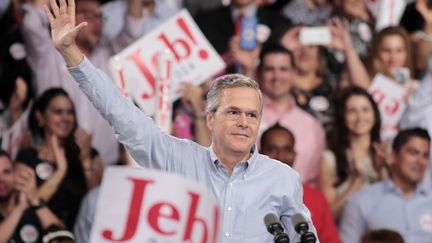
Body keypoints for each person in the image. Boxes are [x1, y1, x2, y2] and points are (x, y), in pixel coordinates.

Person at [43, 0, 318, 242]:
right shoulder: (179, 159)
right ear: (210, 118)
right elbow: (121, 114)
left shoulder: (283, 179)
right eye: (233, 112)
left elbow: (306, 238)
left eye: (252, 115)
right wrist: (72, 55)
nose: (244, 122)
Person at [20, 0, 148, 165]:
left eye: (101, 17)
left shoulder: (109, 56)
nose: (97, 22)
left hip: (105, 168)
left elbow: (133, 31)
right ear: (68, 15)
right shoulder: (47, 54)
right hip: (55, 167)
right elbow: (31, 24)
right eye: (88, 15)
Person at [15, 88, 101, 229]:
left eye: (70, 112)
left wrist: (85, 160)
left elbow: (96, 202)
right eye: (58, 112)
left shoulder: (89, 154)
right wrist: (61, 170)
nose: (65, 118)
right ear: (40, 116)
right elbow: (29, 205)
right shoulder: (27, 157)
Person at [339, 128, 432, 243]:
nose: (420, 161)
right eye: (413, 153)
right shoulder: (362, 201)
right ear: (393, 156)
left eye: (425, 155)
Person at [256, 44, 326, 187]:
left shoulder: (311, 124)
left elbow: (318, 180)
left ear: (294, 73)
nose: (277, 76)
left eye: (283, 69)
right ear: (259, 73)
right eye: (270, 69)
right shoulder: (243, 117)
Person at [260, 124, 341, 243]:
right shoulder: (247, 193)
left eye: (287, 149)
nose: (280, 156)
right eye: (272, 149)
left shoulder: (316, 198)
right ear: (260, 153)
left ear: (294, 154)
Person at [320, 86, 389, 221]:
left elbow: (396, 204)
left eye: (365, 110)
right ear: (343, 116)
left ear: (375, 114)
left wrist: (383, 171)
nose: (360, 117)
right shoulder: (330, 160)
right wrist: (356, 183)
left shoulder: (386, 154)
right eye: (352, 111)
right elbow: (327, 217)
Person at [0, 149, 64, 243]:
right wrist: (19, 208)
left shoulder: (33, 209)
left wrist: (34, 200)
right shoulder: (21, 207)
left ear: (15, 174)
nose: (1, 179)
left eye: (6, 172)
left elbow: (65, 240)